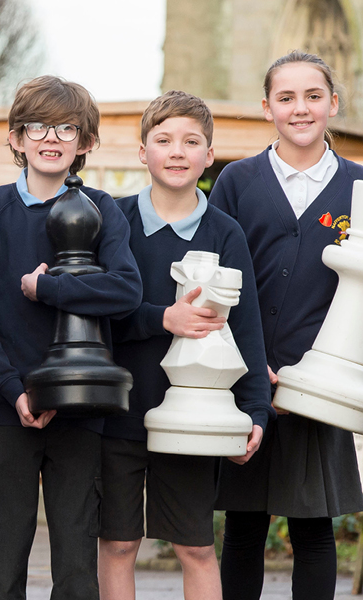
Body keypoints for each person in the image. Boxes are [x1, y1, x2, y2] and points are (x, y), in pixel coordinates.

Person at [209, 51, 363, 600]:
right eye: (286, 98)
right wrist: (253, 367)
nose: (300, 109)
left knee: (314, 530)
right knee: (244, 529)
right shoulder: (236, 181)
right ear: (267, 108)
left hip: (320, 383)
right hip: (249, 378)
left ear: (333, 103)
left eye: (313, 96)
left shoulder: (362, 185)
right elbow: (218, 276)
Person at [0, 75, 143, 600]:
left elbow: (126, 291)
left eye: (68, 128)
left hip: (82, 406)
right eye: (38, 126)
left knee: (76, 568)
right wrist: (13, 390)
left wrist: (50, 288)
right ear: (17, 138)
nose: (52, 138)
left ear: (85, 143)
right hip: (8, 406)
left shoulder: (102, 209)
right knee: (4, 566)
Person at [97, 91, 274, 600]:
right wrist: (162, 319)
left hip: (195, 419)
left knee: (196, 548)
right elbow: (98, 313)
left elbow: (248, 329)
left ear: (209, 155)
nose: (177, 151)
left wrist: (256, 413)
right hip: (120, 411)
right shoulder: (114, 221)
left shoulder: (226, 232)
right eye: (164, 140)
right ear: (142, 152)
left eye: (191, 141)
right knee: (117, 543)